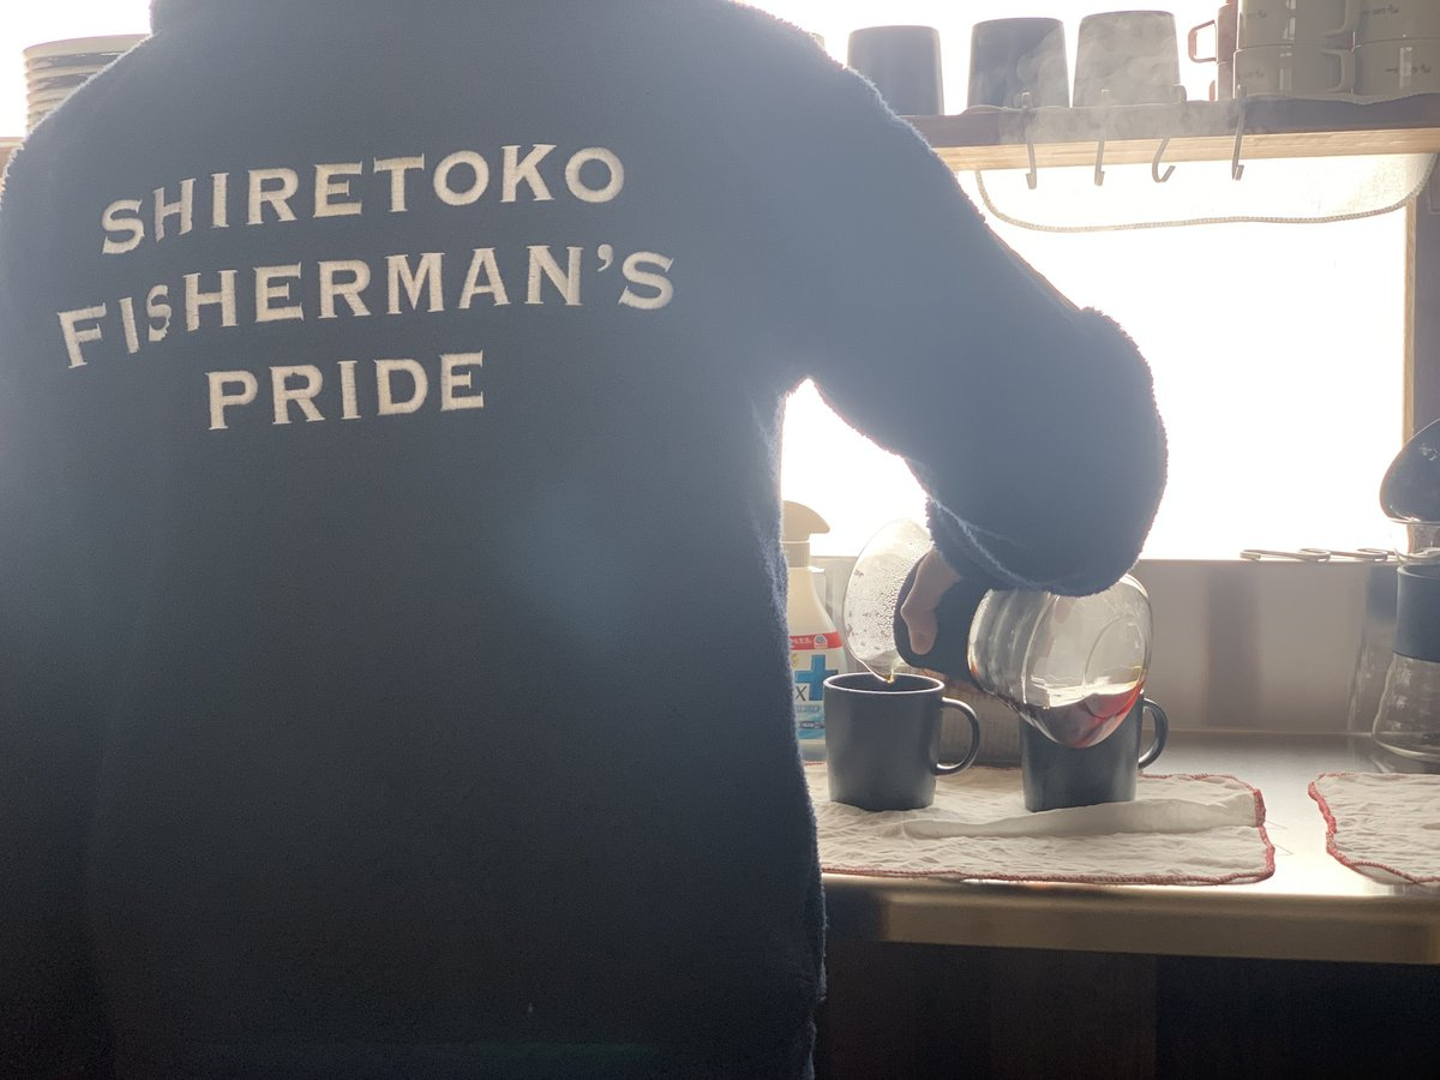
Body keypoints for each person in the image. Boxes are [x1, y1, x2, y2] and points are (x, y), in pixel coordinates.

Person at [0, 1, 1166, 1076]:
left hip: (207, 1010)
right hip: (649, 1003)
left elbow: (31, 695)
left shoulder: (79, 168)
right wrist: (969, 549)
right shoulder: (721, 82)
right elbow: (1081, 486)